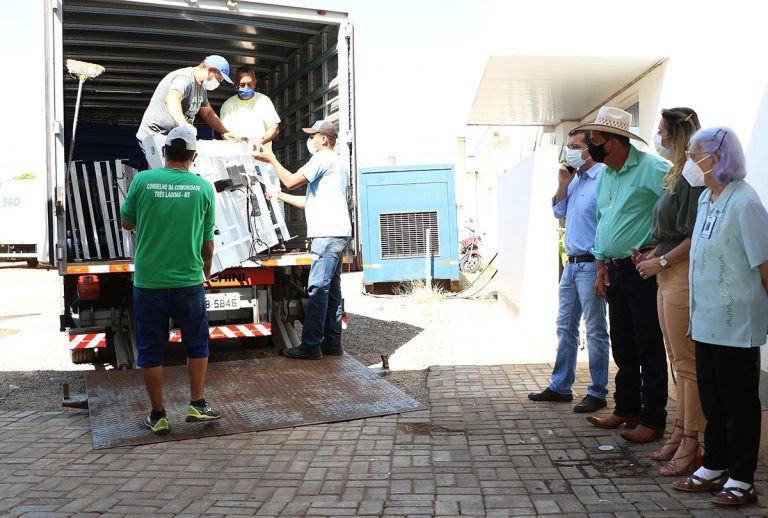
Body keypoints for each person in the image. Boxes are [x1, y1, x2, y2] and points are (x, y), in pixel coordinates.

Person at [672, 127, 768, 507]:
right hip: (706, 320)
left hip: (737, 322)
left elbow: (764, 264)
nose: (689, 162)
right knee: (713, 401)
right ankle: (715, 466)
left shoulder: (745, 202)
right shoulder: (707, 201)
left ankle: (742, 480)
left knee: (740, 404)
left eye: (695, 154)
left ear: (717, 157)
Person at [574, 106, 670, 443]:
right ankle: (626, 409)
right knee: (624, 347)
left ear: (613, 143)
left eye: (595, 142)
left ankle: (653, 418)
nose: (591, 149)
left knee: (649, 347)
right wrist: (601, 264)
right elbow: (604, 221)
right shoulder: (608, 175)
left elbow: (681, 212)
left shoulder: (653, 168)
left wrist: (659, 249)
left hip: (642, 272)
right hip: (615, 271)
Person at [120, 126, 221, 435]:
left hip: (149, 282)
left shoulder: (142, 180)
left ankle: (158, 414)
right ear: (193, 156)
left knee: (151, 348)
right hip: (188, 281)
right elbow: (208, 243)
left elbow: (126, 222)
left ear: (164, 152)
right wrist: (206, 271)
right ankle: (197, 403)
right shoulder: (203, 188)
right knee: (196, 343)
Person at [634, 108, 704, 477]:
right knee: (678, 361)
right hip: (667, 272)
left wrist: (661, 262)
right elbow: (671, 233)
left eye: (662, 132)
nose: (658, 138)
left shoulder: (692, 176)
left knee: (688, 364)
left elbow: (693, 235)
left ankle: (692, 442)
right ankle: (680, 434)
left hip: (680, 274)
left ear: (677, 134)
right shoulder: (676, 174)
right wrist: (653, 254)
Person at [253, 120, 351, 360]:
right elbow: (307, 201)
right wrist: (279, 195)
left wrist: (272, 160)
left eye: (313, 136)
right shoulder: (336, 163)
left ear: (324, 140)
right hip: (337, 233)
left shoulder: (322, 158)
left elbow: (291, 180)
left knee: (317, 289)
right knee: (331, 290)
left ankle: (310, 346)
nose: (310, 141)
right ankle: (332, 343)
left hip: (327, 235)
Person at [528, 129, 610, 413]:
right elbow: (558, 211)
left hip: (592, 264)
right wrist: (562, 183)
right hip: (571, 266)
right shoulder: (574, 178)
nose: (570, 151)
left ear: (590, 149)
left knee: (597, 330)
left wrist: (602, 266)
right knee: (565, 327)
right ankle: (561, 386)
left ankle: (598, 391)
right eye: (568, 146)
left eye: (576, 146)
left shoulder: (603, 179)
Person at [136, 55, 239, 167]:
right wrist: (183, 123)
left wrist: (225, 131)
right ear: (210, 70)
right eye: (218, 79)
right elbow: (172, 98)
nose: (218, 84)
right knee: (164, 178)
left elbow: (208, 113)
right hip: (155, 135)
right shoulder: (185, 78)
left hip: (172, 138)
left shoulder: (201, 88)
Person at [220, 66, 281, 150]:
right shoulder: (227, 105)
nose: (246, 87)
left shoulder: (263, 101)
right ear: (235, 84)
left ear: (255, 83)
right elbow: (225, 134)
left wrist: (259, 143)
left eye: (249, 84)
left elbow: (274, 128)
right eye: (242, 85)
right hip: (238, 158)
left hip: (262, 158)